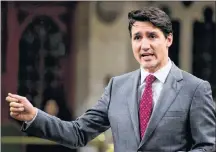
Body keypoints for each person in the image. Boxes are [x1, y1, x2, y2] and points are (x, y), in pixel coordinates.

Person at [6, 7, 216, 152]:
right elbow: (78, 133)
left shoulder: (195, 89)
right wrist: (34, 116)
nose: (144, 46)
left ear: (168, 39)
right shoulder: (117, 87)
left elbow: (207, 146)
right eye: (137, 37)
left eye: (152, 36)